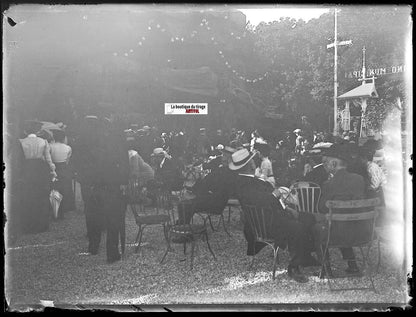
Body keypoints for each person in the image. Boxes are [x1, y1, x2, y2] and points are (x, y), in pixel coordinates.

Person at [230, 148, 317, 283]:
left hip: (272, 217)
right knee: (297, 226)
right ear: (249, 164)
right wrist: (276, 194)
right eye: (252, 160)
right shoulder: (243, 184)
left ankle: (305, 255)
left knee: (308, 218)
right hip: (264, 224)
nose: (254, 162)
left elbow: (269, 198)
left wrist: (285, 206)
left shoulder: (250, 181)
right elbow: (260, 201)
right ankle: (294, 266)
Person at [313, 144, 366, 277]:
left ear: (334, 164)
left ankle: (326, 270)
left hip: (338, 234)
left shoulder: (329, 184)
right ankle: (353, 265)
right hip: (362, 232)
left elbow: (321, 208)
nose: (324, 166)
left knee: (317, 228)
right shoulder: (359, 179)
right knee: (340, 221)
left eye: (325, 163)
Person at [18, 121, 57, 234]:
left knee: (28, 197)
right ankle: (41, 225)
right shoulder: (43, 141)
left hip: (26, 170)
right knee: (41, 197)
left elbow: (19, 160)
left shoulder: (21, 142)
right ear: (37, 130)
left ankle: (28, 225)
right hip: (41, 170)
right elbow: (48, 159)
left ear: (26, 130)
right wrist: (53, 171)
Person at [50, 129, 75, 219]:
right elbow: (68, 160)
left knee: (54, 189)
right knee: (64, 189)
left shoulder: (50, 146)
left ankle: (55, 210)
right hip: (64, 169)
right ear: (63, 138)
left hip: (54, 169)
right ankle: (63, 210)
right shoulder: (68, 148)